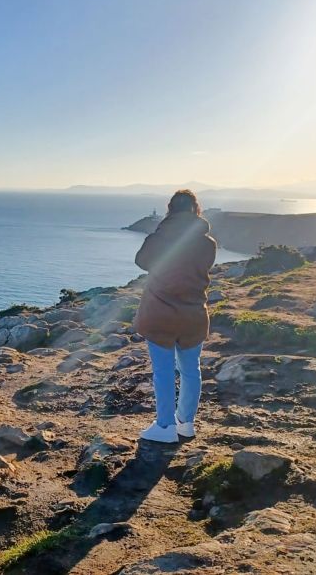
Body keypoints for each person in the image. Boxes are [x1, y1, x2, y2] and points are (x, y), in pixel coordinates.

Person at [133, 190, 217, 443]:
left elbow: (141, 262)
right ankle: (186, 423)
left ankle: (165, 426)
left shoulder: (158, 238)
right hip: (193, 314)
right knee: (191, 370)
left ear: (170, 209)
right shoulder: (207, 243)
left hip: (160, 312)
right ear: (196, 210)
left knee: (163, 371)